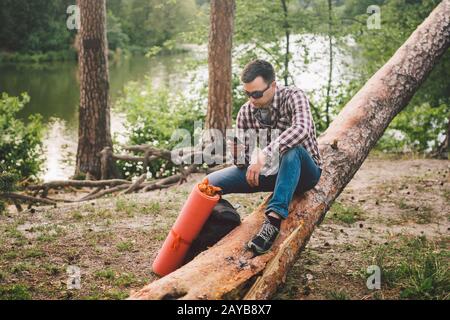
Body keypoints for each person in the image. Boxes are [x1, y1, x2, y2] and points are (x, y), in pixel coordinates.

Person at [206, 59, 322, 255]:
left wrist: (266, 154)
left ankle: (273, 221)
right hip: (273, 172)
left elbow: (302, 129)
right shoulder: (246, 112)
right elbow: (243, 162)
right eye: (247, 93)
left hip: (305, 172)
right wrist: (237, 153)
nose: (252, 99)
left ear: (273, 86)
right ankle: (222, 226)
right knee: (209, 184)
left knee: (291, 151)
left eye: (257, 93)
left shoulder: (294, 96)